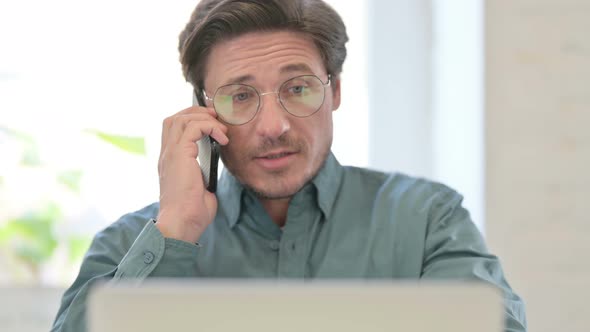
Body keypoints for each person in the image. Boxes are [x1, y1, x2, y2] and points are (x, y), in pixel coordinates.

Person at [51, 0, 527, 331]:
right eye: (240, 97)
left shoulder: (427, 220)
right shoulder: (128, 244)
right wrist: (175, 230)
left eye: (298, 88)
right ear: (202, 110)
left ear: (334, 91)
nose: (273, 126)